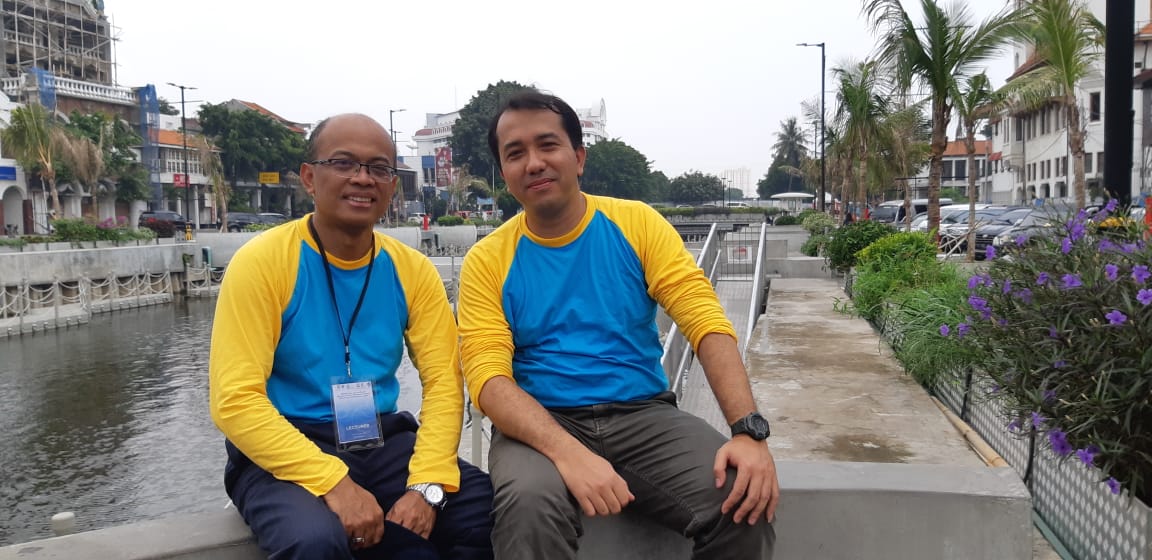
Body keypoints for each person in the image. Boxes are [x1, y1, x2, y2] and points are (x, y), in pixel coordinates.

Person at [457, 91, 778, 559]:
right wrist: (569, 452)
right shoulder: (487, 260)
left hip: (642, 414)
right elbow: (488, 378)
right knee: (528, 508)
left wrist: (747, 430)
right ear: (504, 174)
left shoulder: (636, 223)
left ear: (578, 157)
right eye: (515, 153)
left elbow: (704, 321)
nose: (534, 163)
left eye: (548, 145)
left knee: (740, 499)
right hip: (540, 422)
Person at [209, 113, 493, 560]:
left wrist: (426, 483)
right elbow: (235, 400)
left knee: (480, 508)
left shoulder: (411, 270)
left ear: (393, 185)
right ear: (309, 177)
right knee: (313, 540)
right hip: (286, 444)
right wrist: (334, 483)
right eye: (343, 163)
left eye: (378, 168)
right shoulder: (263, 263)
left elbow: (443, 381)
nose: (362, 178)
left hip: (380, 439)